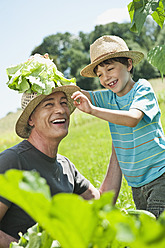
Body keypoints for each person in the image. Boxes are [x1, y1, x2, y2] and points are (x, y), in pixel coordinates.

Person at [71, 35, 165, 218]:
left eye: (110, 69)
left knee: (156, 235)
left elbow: (132, 119)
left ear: (129, 65)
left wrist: (92, 110)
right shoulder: (108, 98)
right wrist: (51, 79)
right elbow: (75, 93)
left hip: (160, 177)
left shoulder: (142, 89)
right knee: (147, 235)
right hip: (136, 185)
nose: (106, 78)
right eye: (100, 74)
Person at [0, 85, 100, 247]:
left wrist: (120, 147)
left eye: (63, 103)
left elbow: (100, 203)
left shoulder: (65, 165)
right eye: (49, 104)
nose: (60, 110)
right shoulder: (12, 161)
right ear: (31, 119)